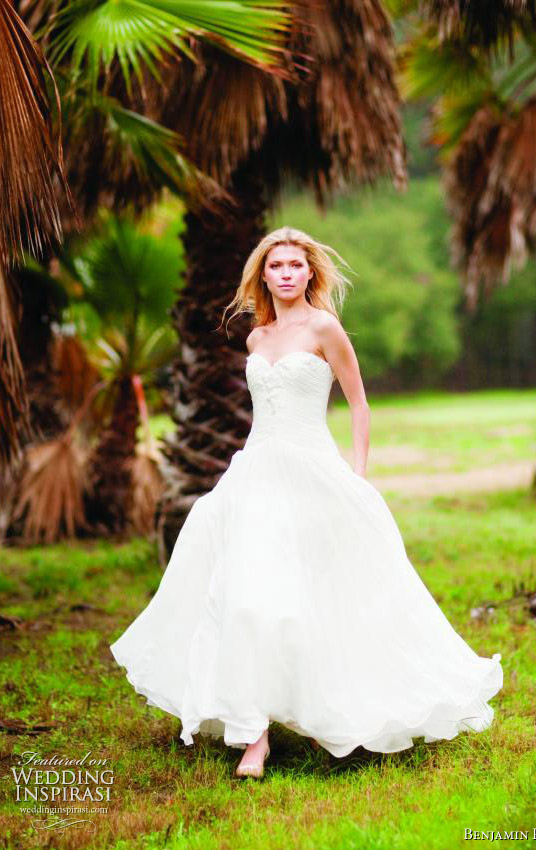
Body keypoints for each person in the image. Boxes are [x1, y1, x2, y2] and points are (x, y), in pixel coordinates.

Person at [110, 226, 503, 780]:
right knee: (244, 594)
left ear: (310, 273)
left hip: (312, 469)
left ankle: (330, 706)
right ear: (264, 275)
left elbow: (360, 404)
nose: (287, 273)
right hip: (257, 472)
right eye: (277, 266)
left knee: (315, 595)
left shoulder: (324, 327)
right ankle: (255, 736)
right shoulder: (256, 339)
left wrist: (358, 476)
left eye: (296, 264)